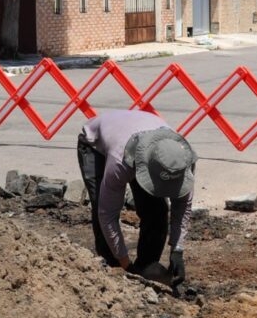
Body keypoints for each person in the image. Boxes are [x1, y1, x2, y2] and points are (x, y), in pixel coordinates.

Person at [77, 110, 197, 287]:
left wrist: (177, 251)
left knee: (157, 210)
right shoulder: (120, 162)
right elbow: (107, 215)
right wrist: (126, 266)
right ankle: (112, 270)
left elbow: (183, 206)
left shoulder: (181, 160)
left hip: (143, 139)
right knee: (101, 205)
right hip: (95, 145)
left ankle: (147, 267)